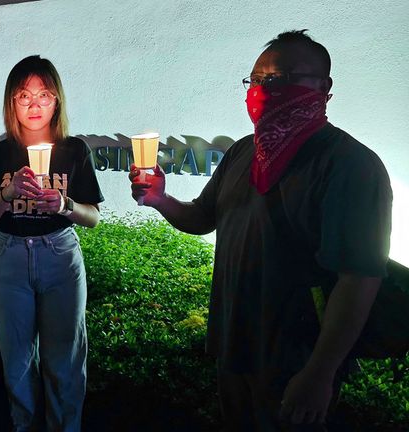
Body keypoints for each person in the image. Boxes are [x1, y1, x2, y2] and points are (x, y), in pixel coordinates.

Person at [130, 30, 392, 430]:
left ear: (324, 88)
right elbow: (202, 218)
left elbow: (359, 279)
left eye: (282, 78)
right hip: (234, 349)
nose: (265, 90)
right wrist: (160, 199)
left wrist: (320, 373)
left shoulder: (350, 164)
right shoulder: (243, 151)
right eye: (257, 80)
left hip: (295, 360)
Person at [0, 55, 104, 432]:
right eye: (24, 96)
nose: (34, 105)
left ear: (56, 100)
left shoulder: (74, 150)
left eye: (44, 95)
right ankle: (24, 425)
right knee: (17, 361)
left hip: (58, 254)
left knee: (66, 359)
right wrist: (6, 195)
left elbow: (92, 217)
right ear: (11, 102)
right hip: (7, 256)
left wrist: (64, 205)